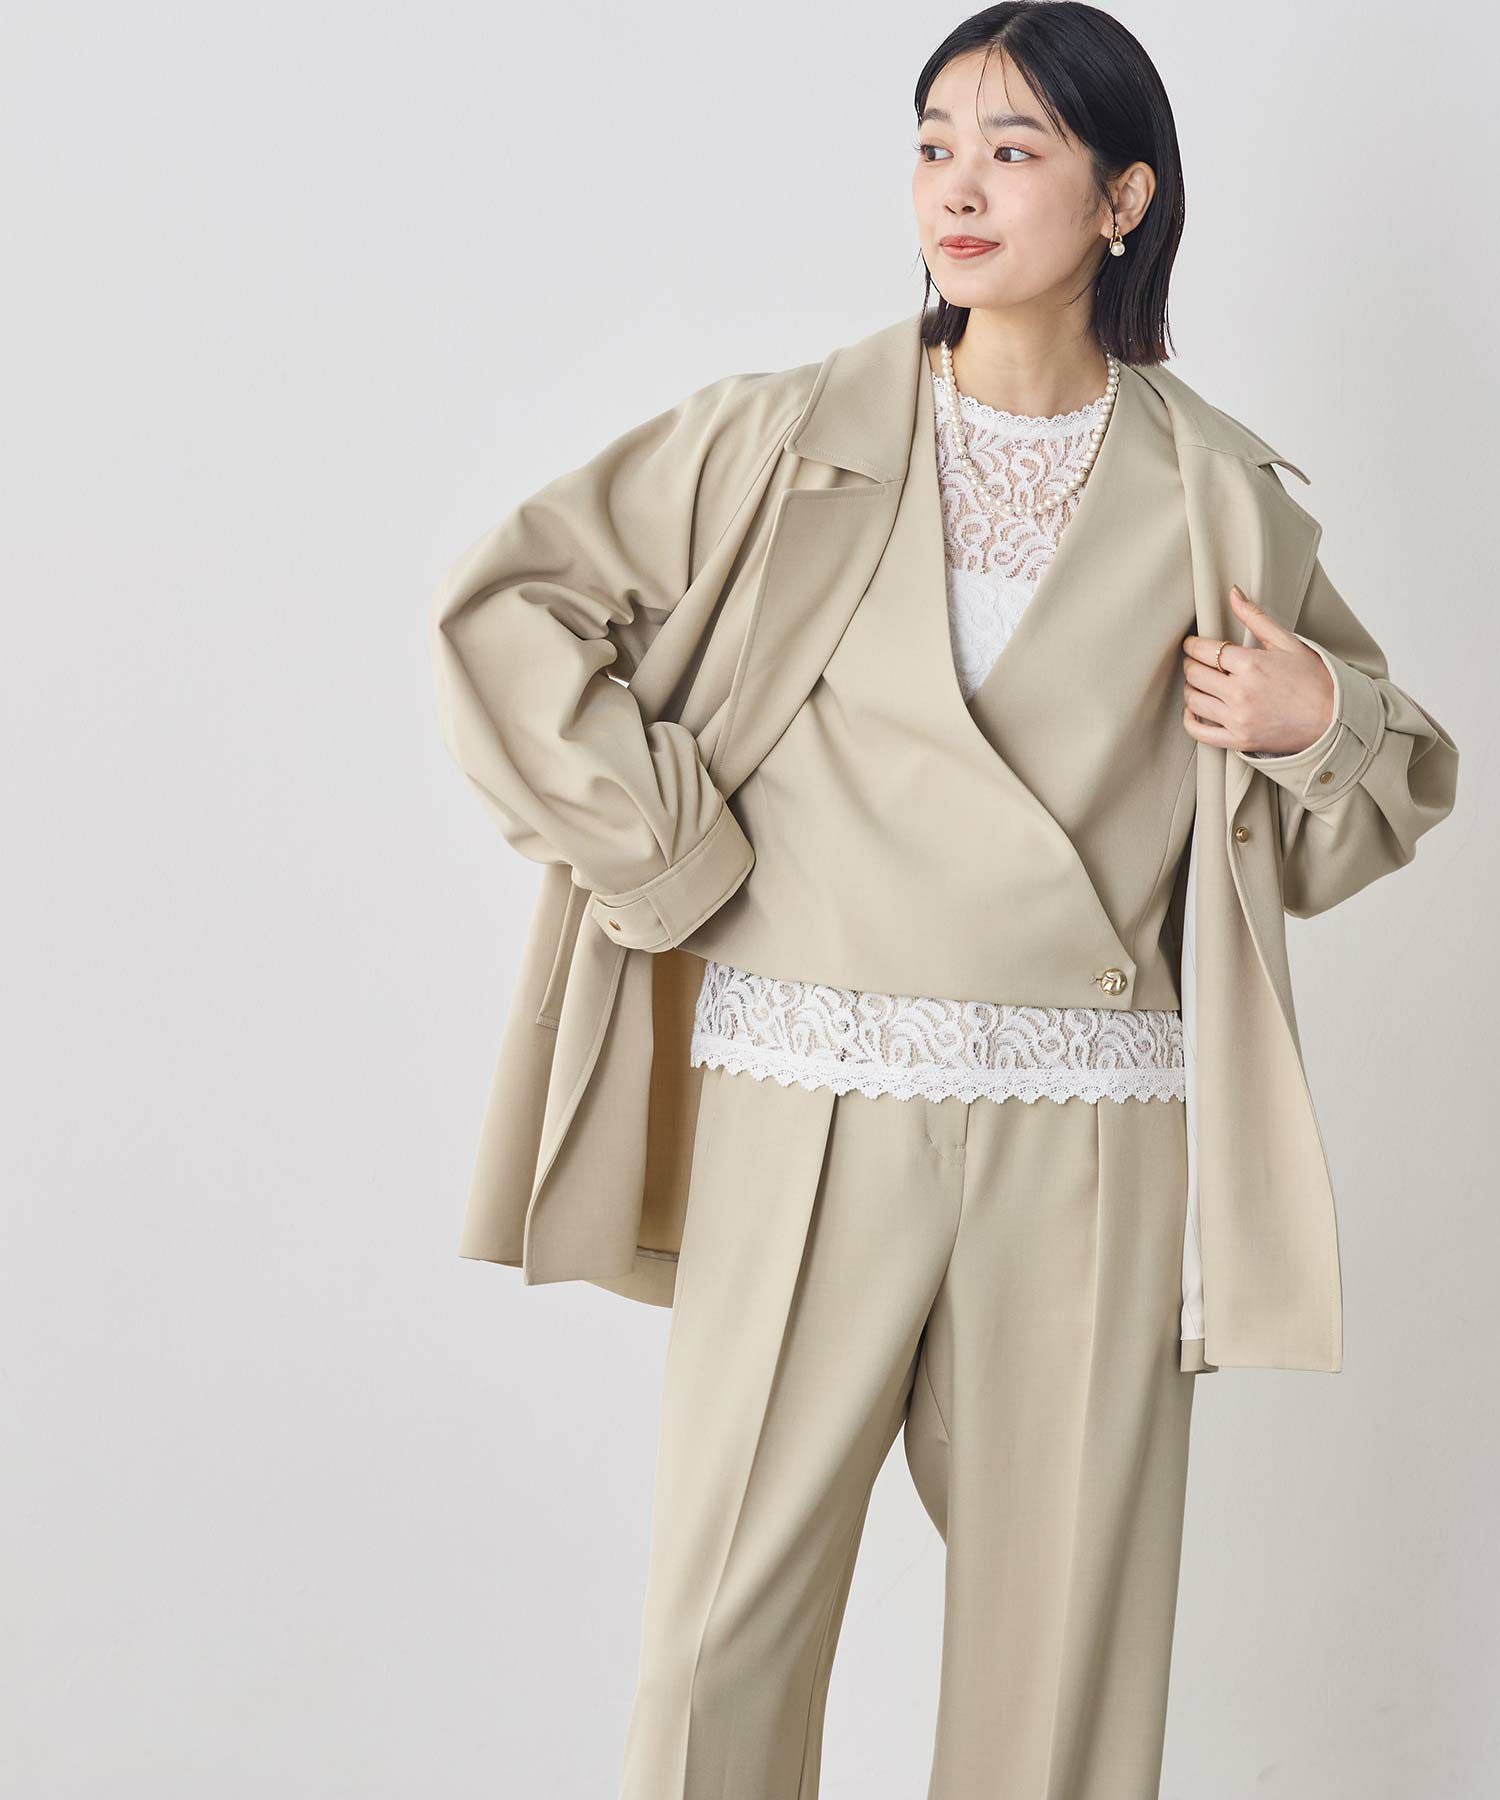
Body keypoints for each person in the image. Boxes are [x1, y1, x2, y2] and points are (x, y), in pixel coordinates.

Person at [427, 6, 1460, 1795]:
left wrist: (1319, 724)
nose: (956, 189)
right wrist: (671, 850)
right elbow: (505, 615)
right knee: (720, 1633)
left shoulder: (1219, 497)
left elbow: (1343, 824)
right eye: (932, 144)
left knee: (1062, 1655)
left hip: (1090, 1122)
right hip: (807, 1086)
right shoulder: (780, 439)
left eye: (1013, 148)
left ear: (1125, 198)